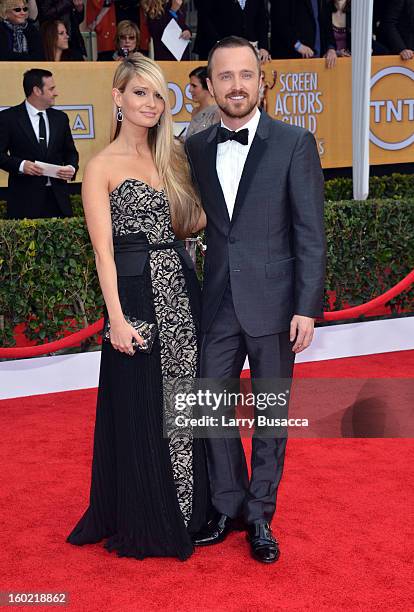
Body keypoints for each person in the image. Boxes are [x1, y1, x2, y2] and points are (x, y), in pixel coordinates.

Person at [185, 37, 326, 564]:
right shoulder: (195, 147)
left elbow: (310, 231)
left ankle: (261, 515)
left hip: (275, 303)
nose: (237, 85)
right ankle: (228, 504)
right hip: (217, 303)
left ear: (261, 79)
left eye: (246, 75)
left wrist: (307, 306)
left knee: (270, 417)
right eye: (225, 77)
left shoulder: (294, 141)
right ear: (212, 83)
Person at [66, 53, 210, 560]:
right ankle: (149, 513)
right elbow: (103, 253)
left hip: (182, 292)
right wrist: (117, 321)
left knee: (183, 402)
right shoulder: (101, 166)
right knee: (144, 405)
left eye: (157, 94)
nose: (151, 103)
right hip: (135, 299)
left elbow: (191, 226)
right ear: (118, 97)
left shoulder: (172, 155)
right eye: (140, 93)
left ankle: (193, 511)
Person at [0, 68, 78, 219]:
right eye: (51, 89)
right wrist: (22, 165)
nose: (55, 93)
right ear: (36, 90)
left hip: (58, 201)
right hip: (24, 203)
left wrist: (71, 167)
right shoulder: (8, 118)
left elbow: (70, 152)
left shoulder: (60, 118)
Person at [194, 0, 270, 62]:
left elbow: (262, 20)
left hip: (249, 50)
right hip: (217, 50)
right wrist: (219, 43)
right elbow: (204, 18)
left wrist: (263, 47)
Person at [270, 0, 338, 68]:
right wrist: (298, 45)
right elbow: (278, 20)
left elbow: (327, 24)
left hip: (320, 62)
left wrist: (331, 48)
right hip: (290, 61)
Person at [185, 66, 220, 140]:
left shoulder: (218, 112)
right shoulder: (195, 111)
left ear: (207, 86)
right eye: (190, 86)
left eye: (194, 86)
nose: (190, 90)